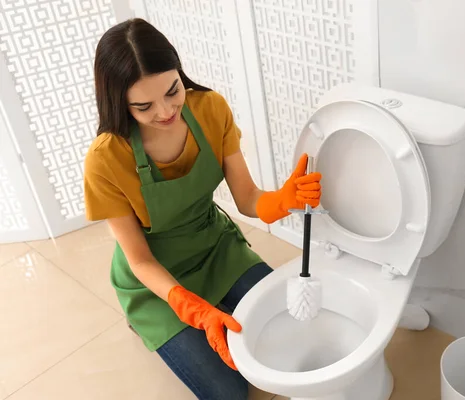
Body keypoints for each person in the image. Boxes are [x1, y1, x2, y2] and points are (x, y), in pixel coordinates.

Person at [83, 18, 322, 400]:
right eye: (144, 106)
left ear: (179, 71)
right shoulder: (106, 158)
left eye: (172, 90)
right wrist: (188, 307)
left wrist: (283, 200)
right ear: (119, 103)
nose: (165, 111)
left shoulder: (209, 110)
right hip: (156, 278)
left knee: (292, 334)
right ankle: (146, 321)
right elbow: (140, 260)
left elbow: (246, 197)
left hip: (216, 249)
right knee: (229, 391)